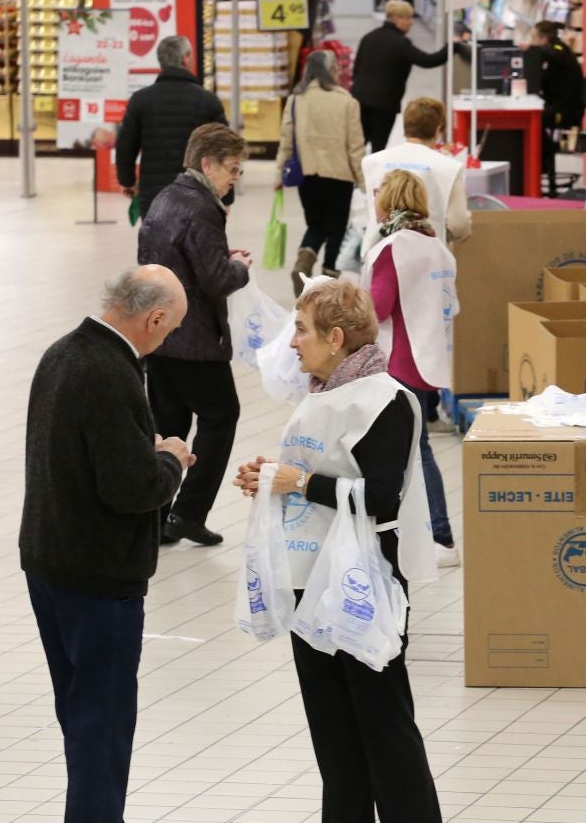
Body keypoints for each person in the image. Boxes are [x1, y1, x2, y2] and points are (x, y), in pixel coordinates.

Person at [233, 279, 442, 823]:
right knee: (334, 740)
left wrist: (298, 482)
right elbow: (311, 471)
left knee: (385, 729)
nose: (293, 343)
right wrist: (270, 477)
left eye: (300, 331)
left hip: (362, 586)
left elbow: (379, 496)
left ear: (334, 336)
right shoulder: (322, 394)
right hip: (309, 581)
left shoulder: (384, 400)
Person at [19, 265, 195, 823]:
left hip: (49, 560)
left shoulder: (63, 352)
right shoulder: (111, 373)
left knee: (79, 714)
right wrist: (170, 458)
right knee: (103, 726)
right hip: (98, 579)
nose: (166, 342)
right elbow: (132, 488)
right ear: (155, 317)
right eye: (169, 331)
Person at [138, 123, 252, 546]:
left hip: (160, 335)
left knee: (168, 425)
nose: (234, 179)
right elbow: (216, 279)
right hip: (196, 340)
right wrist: (238, 266)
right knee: (222, 415)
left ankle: (158, 514)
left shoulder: (165, 199)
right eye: (232, 169)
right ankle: (188, 512)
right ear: (207, 163)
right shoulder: (202, 208)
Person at [361, 170, 461, 567]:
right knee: (413, 448)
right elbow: (452, 305)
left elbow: (378, 308)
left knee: (412, 450)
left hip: (399, 359)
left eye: (378, 193)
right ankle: (418, 531)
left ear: (388, 201)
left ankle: (440, 535)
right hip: (429, 358)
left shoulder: (392, 248)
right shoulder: (437, 247)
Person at [276, 50, 365, 298]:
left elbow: (286, 139)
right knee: (336, 227)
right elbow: (355, 147)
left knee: (315, 224)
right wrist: (363, 181)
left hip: (307, 173)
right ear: (333, 70)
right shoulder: (347, 101)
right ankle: (328, 282)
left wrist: (278, 172)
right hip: (339, 175)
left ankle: (302, 264)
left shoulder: (296, 100)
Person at [116, 35, 231, 220]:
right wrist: (226, 197)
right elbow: (224, 151)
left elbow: (125, 146)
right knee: (194, 247)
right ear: (186, 58)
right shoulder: (207, 101)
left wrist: (127, 181)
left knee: (157, 247)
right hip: (197, 196)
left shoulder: (140, 100)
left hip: (154, 197)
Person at [361, 96, 471, 256]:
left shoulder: (372, 162)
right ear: (438, 129)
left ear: (406, 126)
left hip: (378, 254)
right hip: (428, 258)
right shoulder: (450, 168)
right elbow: (459, 224)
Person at [351, 0, 448, 153]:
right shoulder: (400, 43)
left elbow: (356, 69)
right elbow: (427, 61)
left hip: (360, 98)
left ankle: (357, 174)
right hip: (384, 103)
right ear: (397, 19)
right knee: (379, 147)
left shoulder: (369, 37)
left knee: (359, 142)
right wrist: (452, 47)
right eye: (408, 18)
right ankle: (375, 175)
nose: (411, 23)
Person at [523, 21, 585, 194]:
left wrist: (530, 50)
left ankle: (543, 159)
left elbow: (552, 55)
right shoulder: (559, 50)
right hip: (560, 105)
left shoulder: (559, 51)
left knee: (536, 121)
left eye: (534, 37)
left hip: (564, 111)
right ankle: (544, 157)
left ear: (543, 39)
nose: (532, 41)